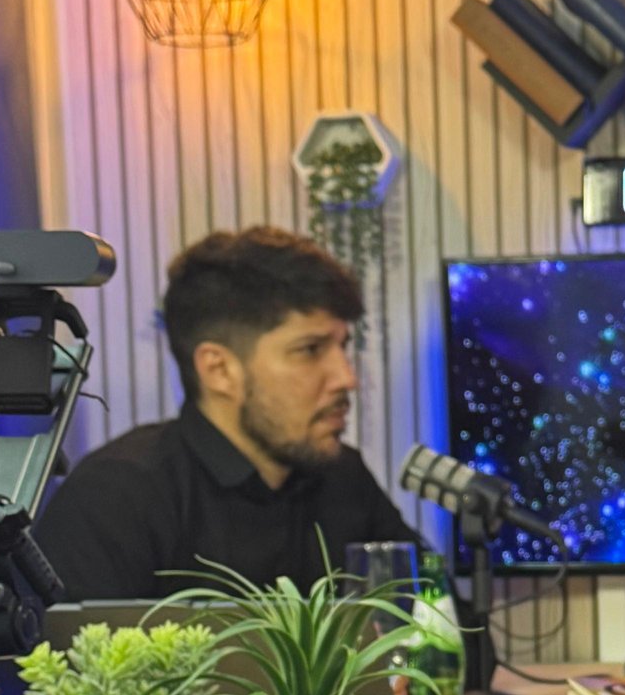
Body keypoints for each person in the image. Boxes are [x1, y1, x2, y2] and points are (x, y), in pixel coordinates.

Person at [33, 226, 412, 599]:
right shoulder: (115, 499)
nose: (347, 378)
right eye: (310, 350)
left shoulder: (343, 478)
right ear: (219, 370)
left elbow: (430, 612)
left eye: (342, 346)